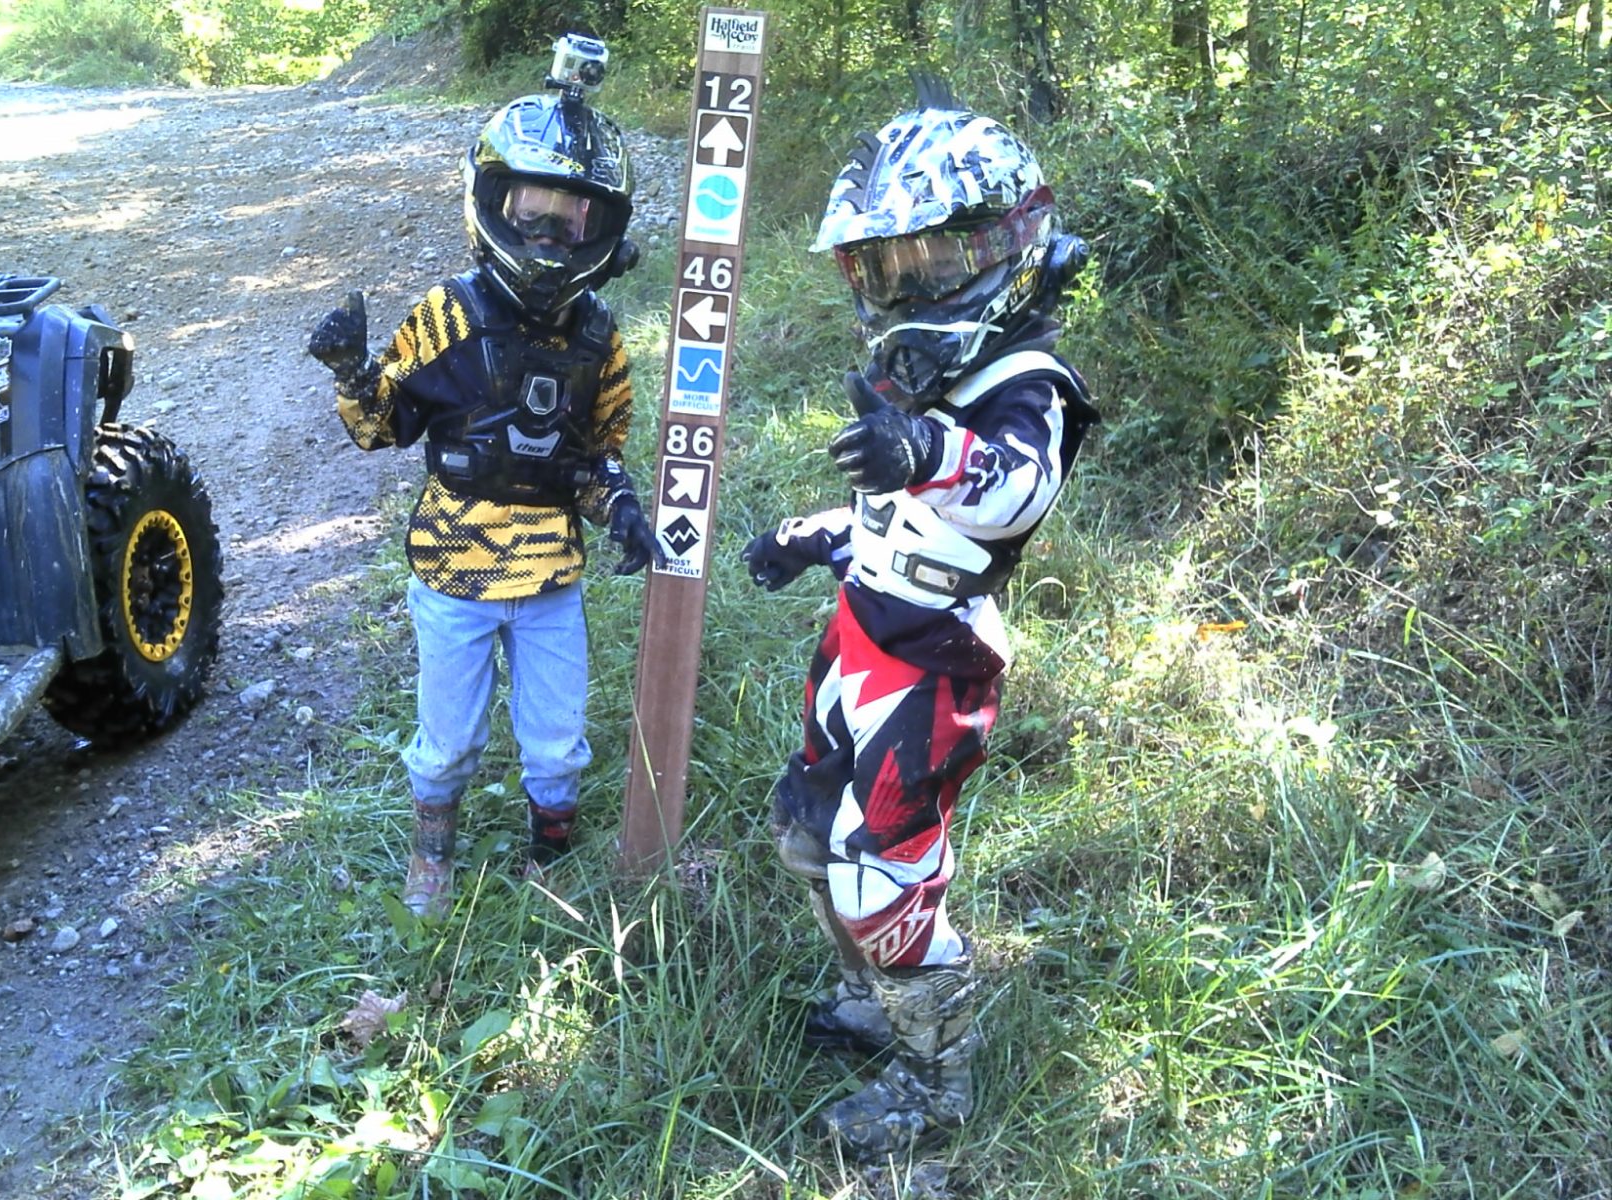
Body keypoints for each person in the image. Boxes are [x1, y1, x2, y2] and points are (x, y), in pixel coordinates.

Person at [744, 78, 1098, 1156]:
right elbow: (887, 504)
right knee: (806, 833)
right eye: (884, 268)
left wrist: (929, 452)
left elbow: (1014, 488)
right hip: (860, 632)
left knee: (879, 865)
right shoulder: (919, 382)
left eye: (930, 261)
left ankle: (934, 1081)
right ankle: (868, 996)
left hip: (936, 658)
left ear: (1003, 244)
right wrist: (814, 534)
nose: (905, 287)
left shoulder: (1026, 380)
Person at [307, 47, 664, 919]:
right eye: (530, 212)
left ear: (603, 228)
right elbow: (383, 427)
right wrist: (355, 373)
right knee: (449, 736)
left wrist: (618, 504)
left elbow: (596, 452)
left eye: (570, 220)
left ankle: (553, 857)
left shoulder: (598, 338)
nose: (548, 236)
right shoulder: (449, 314)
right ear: (492, 203)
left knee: (556, 739)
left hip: (549, 578)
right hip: (453, 573)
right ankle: (434, 855)